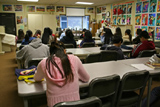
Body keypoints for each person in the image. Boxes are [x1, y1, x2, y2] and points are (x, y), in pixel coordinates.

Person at [34, 42, 90, 107]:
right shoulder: (75, 59)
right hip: (75, 104)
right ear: (64, 51)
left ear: (50, 54)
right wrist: (76, 75)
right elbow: (86, 78)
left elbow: (37, 78)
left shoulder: (44, 63)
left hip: (54, 105)